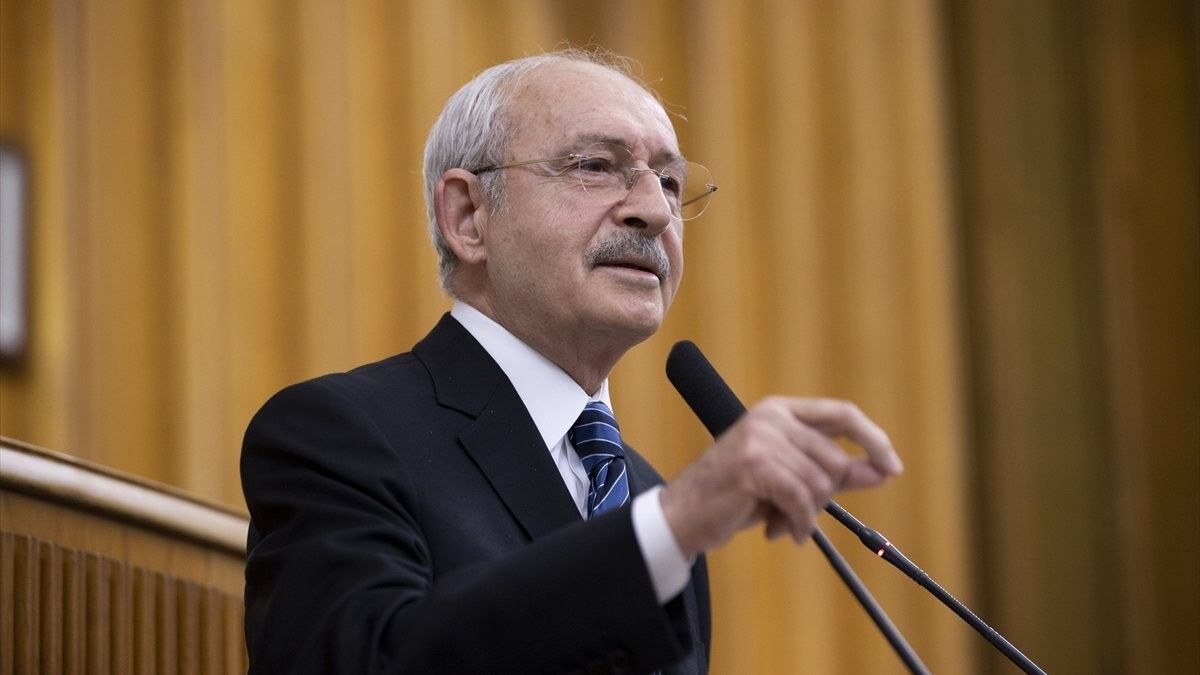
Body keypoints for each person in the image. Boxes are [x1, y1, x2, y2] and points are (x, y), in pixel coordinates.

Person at [241, 49, 904, 675]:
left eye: (670, 182)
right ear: (468, 215)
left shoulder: (646, 495)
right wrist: (671, 526)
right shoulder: (340, 433)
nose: (654, 211)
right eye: (595, 166)